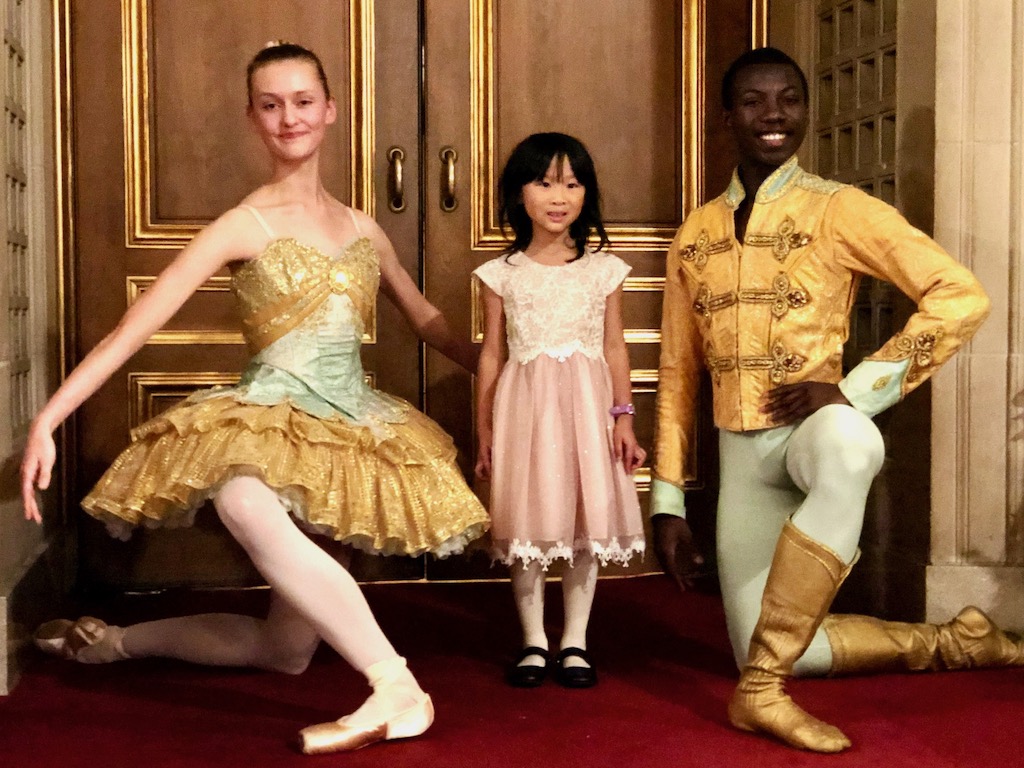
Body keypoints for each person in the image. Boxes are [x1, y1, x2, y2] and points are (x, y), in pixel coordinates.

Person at [21, 42, 489, 755]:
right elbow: (130, 330)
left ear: (330, 112)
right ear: (252, 118)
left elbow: (428, 322)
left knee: (286, 649)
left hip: (349, 433)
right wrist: (47, 418)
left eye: (303, 102)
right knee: (241, 497)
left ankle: (112, 643)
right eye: (271, 105)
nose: (288, 118)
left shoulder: (363, 227)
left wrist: (509, 369)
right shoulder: (243, 225)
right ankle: (396, 684)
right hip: (268, 417)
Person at [651, 46, 1022, 753]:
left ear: (804, 111)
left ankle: (760, 692)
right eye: (755, 101)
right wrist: (667, 501)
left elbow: (960, 296)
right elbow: (676, 373)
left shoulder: (837, 208)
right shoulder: (693, 235)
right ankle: (955, 643)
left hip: (811, 436)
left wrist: (851, 391)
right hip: (741, 457)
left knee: (854, 442)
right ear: (727, 115)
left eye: (789, 99)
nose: (774, 116)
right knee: (773, 643)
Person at [474, 133, 646, 689]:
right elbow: (492, 353)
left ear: (586, 194)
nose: (559, 196)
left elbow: (615, 346)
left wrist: (624, 415)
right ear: (517, 193)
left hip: (588, 408)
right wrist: (484, 427)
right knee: (528, 519)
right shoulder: (501, 274)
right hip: (526, 410)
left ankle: (575, 641)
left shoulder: (604, 271)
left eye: (572, 184)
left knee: (583, 517)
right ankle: (532, 641)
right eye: (545, 182)